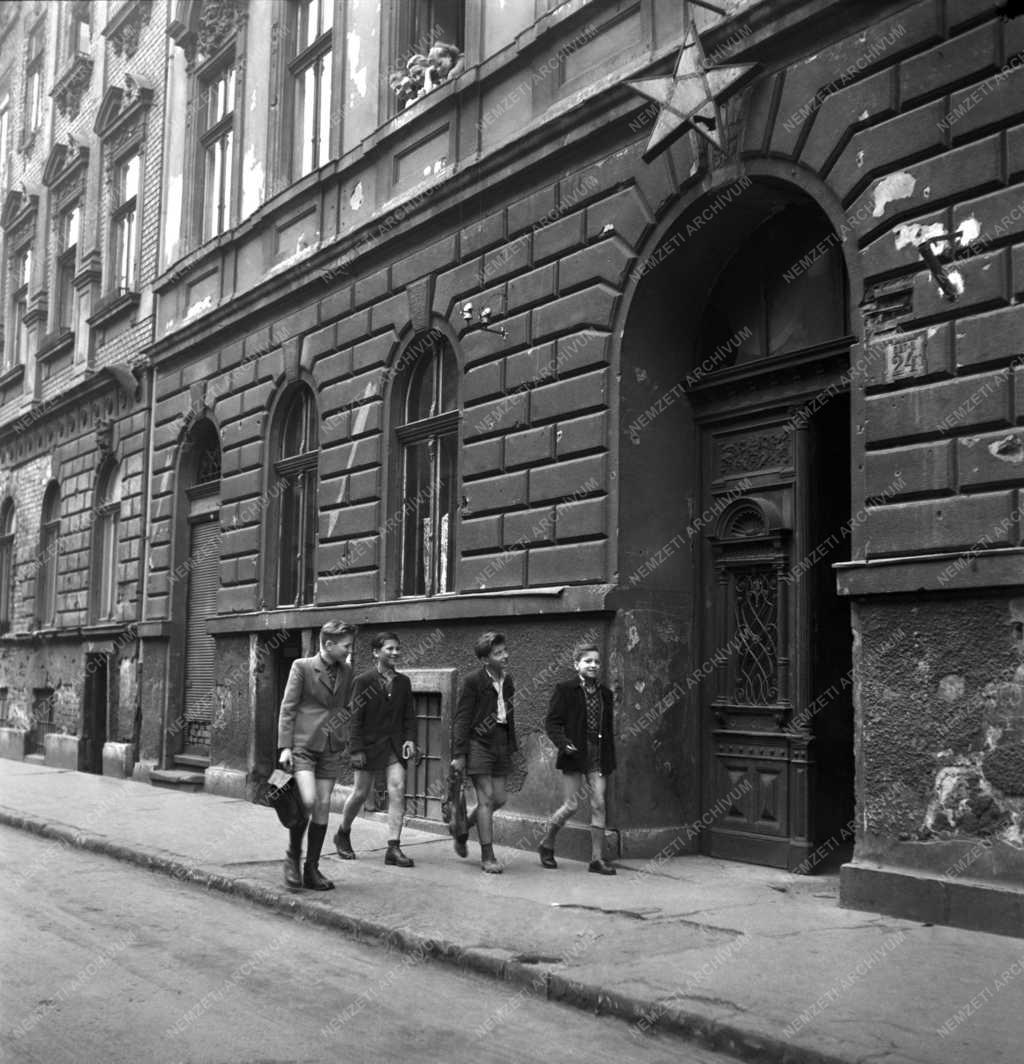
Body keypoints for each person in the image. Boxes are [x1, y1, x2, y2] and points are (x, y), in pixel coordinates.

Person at [277, 621, 355, 890]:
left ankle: (311, 869)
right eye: (346, 646)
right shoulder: (302, 667)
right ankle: (292, 857)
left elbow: (346, 706)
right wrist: (285, 747)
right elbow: (288, 707)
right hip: (304, 745)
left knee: (323, 804)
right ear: (329, 644)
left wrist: (343, 734)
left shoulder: (347, 671)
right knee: (308, 800)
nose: (349, 650)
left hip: (331, 746)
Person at [333, 632, 416, 868]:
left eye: (397, 648)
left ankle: (393, 848)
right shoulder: (364, 681)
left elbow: (409, 715)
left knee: (397, 790)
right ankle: (343, 832)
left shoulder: (403, 682)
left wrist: (410, 740)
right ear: (376, 653)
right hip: (368, 747)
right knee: (360, 793)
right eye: (390, 649)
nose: (395, 653)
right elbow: (355, 718)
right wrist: (356, 749)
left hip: (394, 746)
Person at [539, 642, 617, 874]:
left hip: (598, 755)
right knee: (571, 805)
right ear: (577, 665)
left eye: (596, 662)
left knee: (599, 804)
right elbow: (552, 723)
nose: (593, 665)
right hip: (574, 753)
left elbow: (608, 729)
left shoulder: (605, 694)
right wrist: (564, 743)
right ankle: (547, 843)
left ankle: (596, 860)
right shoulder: (565, 690)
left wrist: (608, 755)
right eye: (587, 661)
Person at [450, 632, 516, 874]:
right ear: (485, 660)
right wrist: (459, 754)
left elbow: (508, 715)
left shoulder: (508, 680)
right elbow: (462, 718)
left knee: (500, 799)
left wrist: (511, 744)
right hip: (478, 742)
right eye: (498, 653)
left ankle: (462, 826)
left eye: (505, 650)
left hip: (501, 741)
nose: (505, 655)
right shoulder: (473, 681)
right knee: (486, 799)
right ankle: (488, 856)